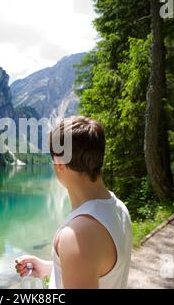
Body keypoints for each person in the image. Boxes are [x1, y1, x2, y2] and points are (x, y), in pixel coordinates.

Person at [15, 116, 133, 289]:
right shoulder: (119, 209)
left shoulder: (78, 234)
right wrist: (51, 268)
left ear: (59, 163)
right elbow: (99, 271)